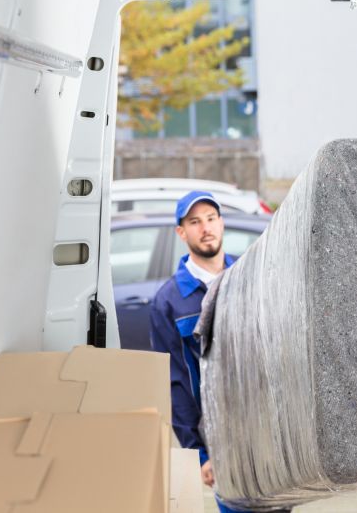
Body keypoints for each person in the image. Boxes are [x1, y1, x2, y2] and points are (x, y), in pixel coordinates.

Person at [149, 190, 249, 513]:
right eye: (195, 222)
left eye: (211, 219)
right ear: (182, 232)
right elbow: (176, 385)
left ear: (221, 223)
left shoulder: (250, 279)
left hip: (267, 437)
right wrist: (199, 455)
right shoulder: (169, 301)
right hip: (221, 446)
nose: (205, 228)